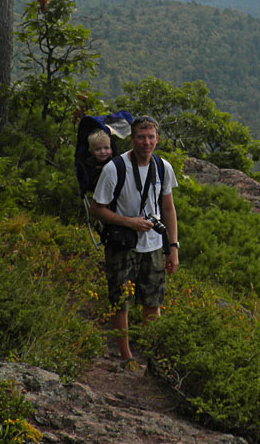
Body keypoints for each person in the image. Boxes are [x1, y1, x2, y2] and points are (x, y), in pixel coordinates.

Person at [90, 115, 179, 370]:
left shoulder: (163, 167)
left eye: (151, 137)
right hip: (122, 243)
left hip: (154, 245)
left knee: (153, 301)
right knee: (121, 301)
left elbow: (169, 208)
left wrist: (173, 247)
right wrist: (130, 222)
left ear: (157, 139)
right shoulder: (114, 168)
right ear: (132, 139)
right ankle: (126, 355)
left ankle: (151, 355)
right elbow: (97, 210)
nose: (146, 142)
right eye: (141, 137)